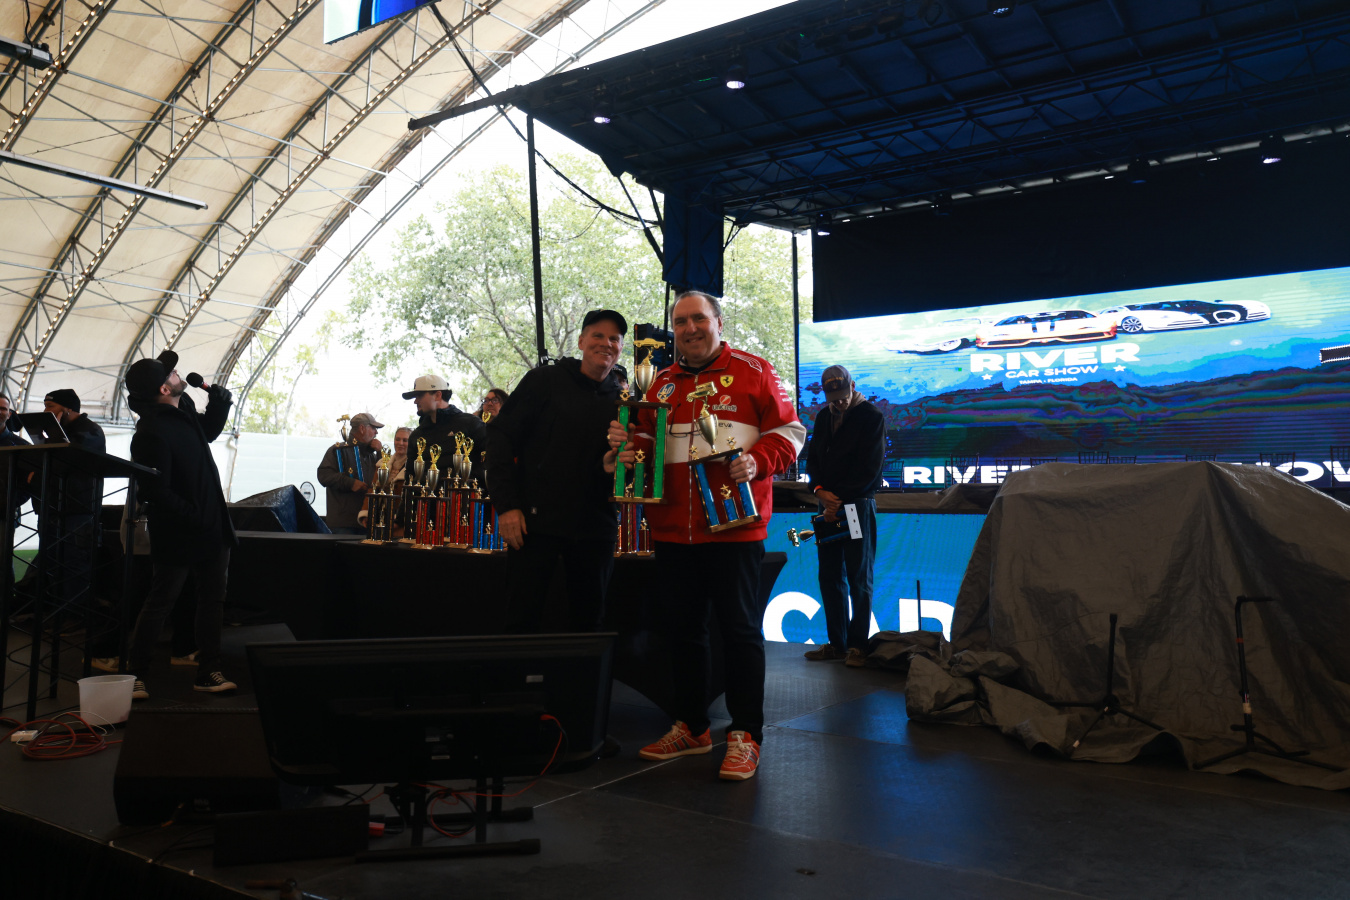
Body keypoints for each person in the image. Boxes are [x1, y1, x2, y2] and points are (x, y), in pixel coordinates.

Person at [608, 290, 805, 781]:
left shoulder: (755, 371)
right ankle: (692, 727)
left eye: (698, 318)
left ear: (718, 321)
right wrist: (626, 447)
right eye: (680, 322)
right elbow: (645, 444)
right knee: (683, 632)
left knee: (739, 632)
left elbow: (791, 432)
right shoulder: (659, 384)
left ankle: (746, 734)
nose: (690, 329)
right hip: (673, 531)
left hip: (736, 528)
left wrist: (757, 461)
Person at [488, 309, 626, 633]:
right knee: (521, 621)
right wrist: (506, 506)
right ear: (581, 341)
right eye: (597, 335)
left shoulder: (623, 400)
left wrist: (611, 468)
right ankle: (519, 670)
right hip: (534, 527)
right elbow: (500, 438)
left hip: (595, 530)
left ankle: (584, 670)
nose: (606, 343)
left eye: (614, 339)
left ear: (621, 348)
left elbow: (621, 470)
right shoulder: (544, 380)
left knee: (589, 625)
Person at [122, 357, 238, 700]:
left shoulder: (183, 412)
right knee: (162, 601)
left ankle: (209, 671)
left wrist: (219, 404)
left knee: (212, 600)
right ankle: (135, 674)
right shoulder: (151, 431)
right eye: (171, 373)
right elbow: (154, 491)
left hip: (211, 526)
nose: (178, 373)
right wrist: (194, 515)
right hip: (179, 530)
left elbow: (208, 433)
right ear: (163, 388)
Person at [803, 365, 885, 667]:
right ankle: (837, 644)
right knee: (829, 575)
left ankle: (858, 646)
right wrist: (819, 491)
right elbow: (812, 460)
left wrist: (834, 500)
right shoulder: (823, 417)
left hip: (855, 505)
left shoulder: (871, 416)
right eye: (833, 398)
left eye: (843, 396)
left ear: (853, 385)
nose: (838, 403)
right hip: (826, 505)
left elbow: (870, 470)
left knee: (858, 576)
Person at [400, 374, 486, 494]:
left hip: (463, 501)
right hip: (425, 503)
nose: (415, 401)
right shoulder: (416, 435)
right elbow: (410, 478)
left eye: (419, 395)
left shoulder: (471, 424)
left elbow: (489, 465)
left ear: (438, 395)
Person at [317, 412, 383, 535]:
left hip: (366, 521)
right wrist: (350, 483)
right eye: (373, 428)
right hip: (343, 524)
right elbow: (323, 475)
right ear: (362, 428)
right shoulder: (337, 450)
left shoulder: (371, 455)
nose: (376, 432)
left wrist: (380, 452)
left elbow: (383, 478)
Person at [359, 425, 410, 536]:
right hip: (380, 519)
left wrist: (399, 521)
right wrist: (366, 514)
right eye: (397, 439)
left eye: (405, 440)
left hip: (402, 523)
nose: (400, 443)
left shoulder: (415, 467)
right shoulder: (382, 463)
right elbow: (372, 489)